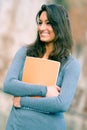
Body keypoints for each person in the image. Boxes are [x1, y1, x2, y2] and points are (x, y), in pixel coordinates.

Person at [3, 4, 81, 130]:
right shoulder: (24, 52)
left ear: (60, 26)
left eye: (48, 23)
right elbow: (9, 84)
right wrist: (45, 90)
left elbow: (61, 104)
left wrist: (23, 101)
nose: (42, 27)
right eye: (40, 23)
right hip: (17, 125)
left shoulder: (71, 65)